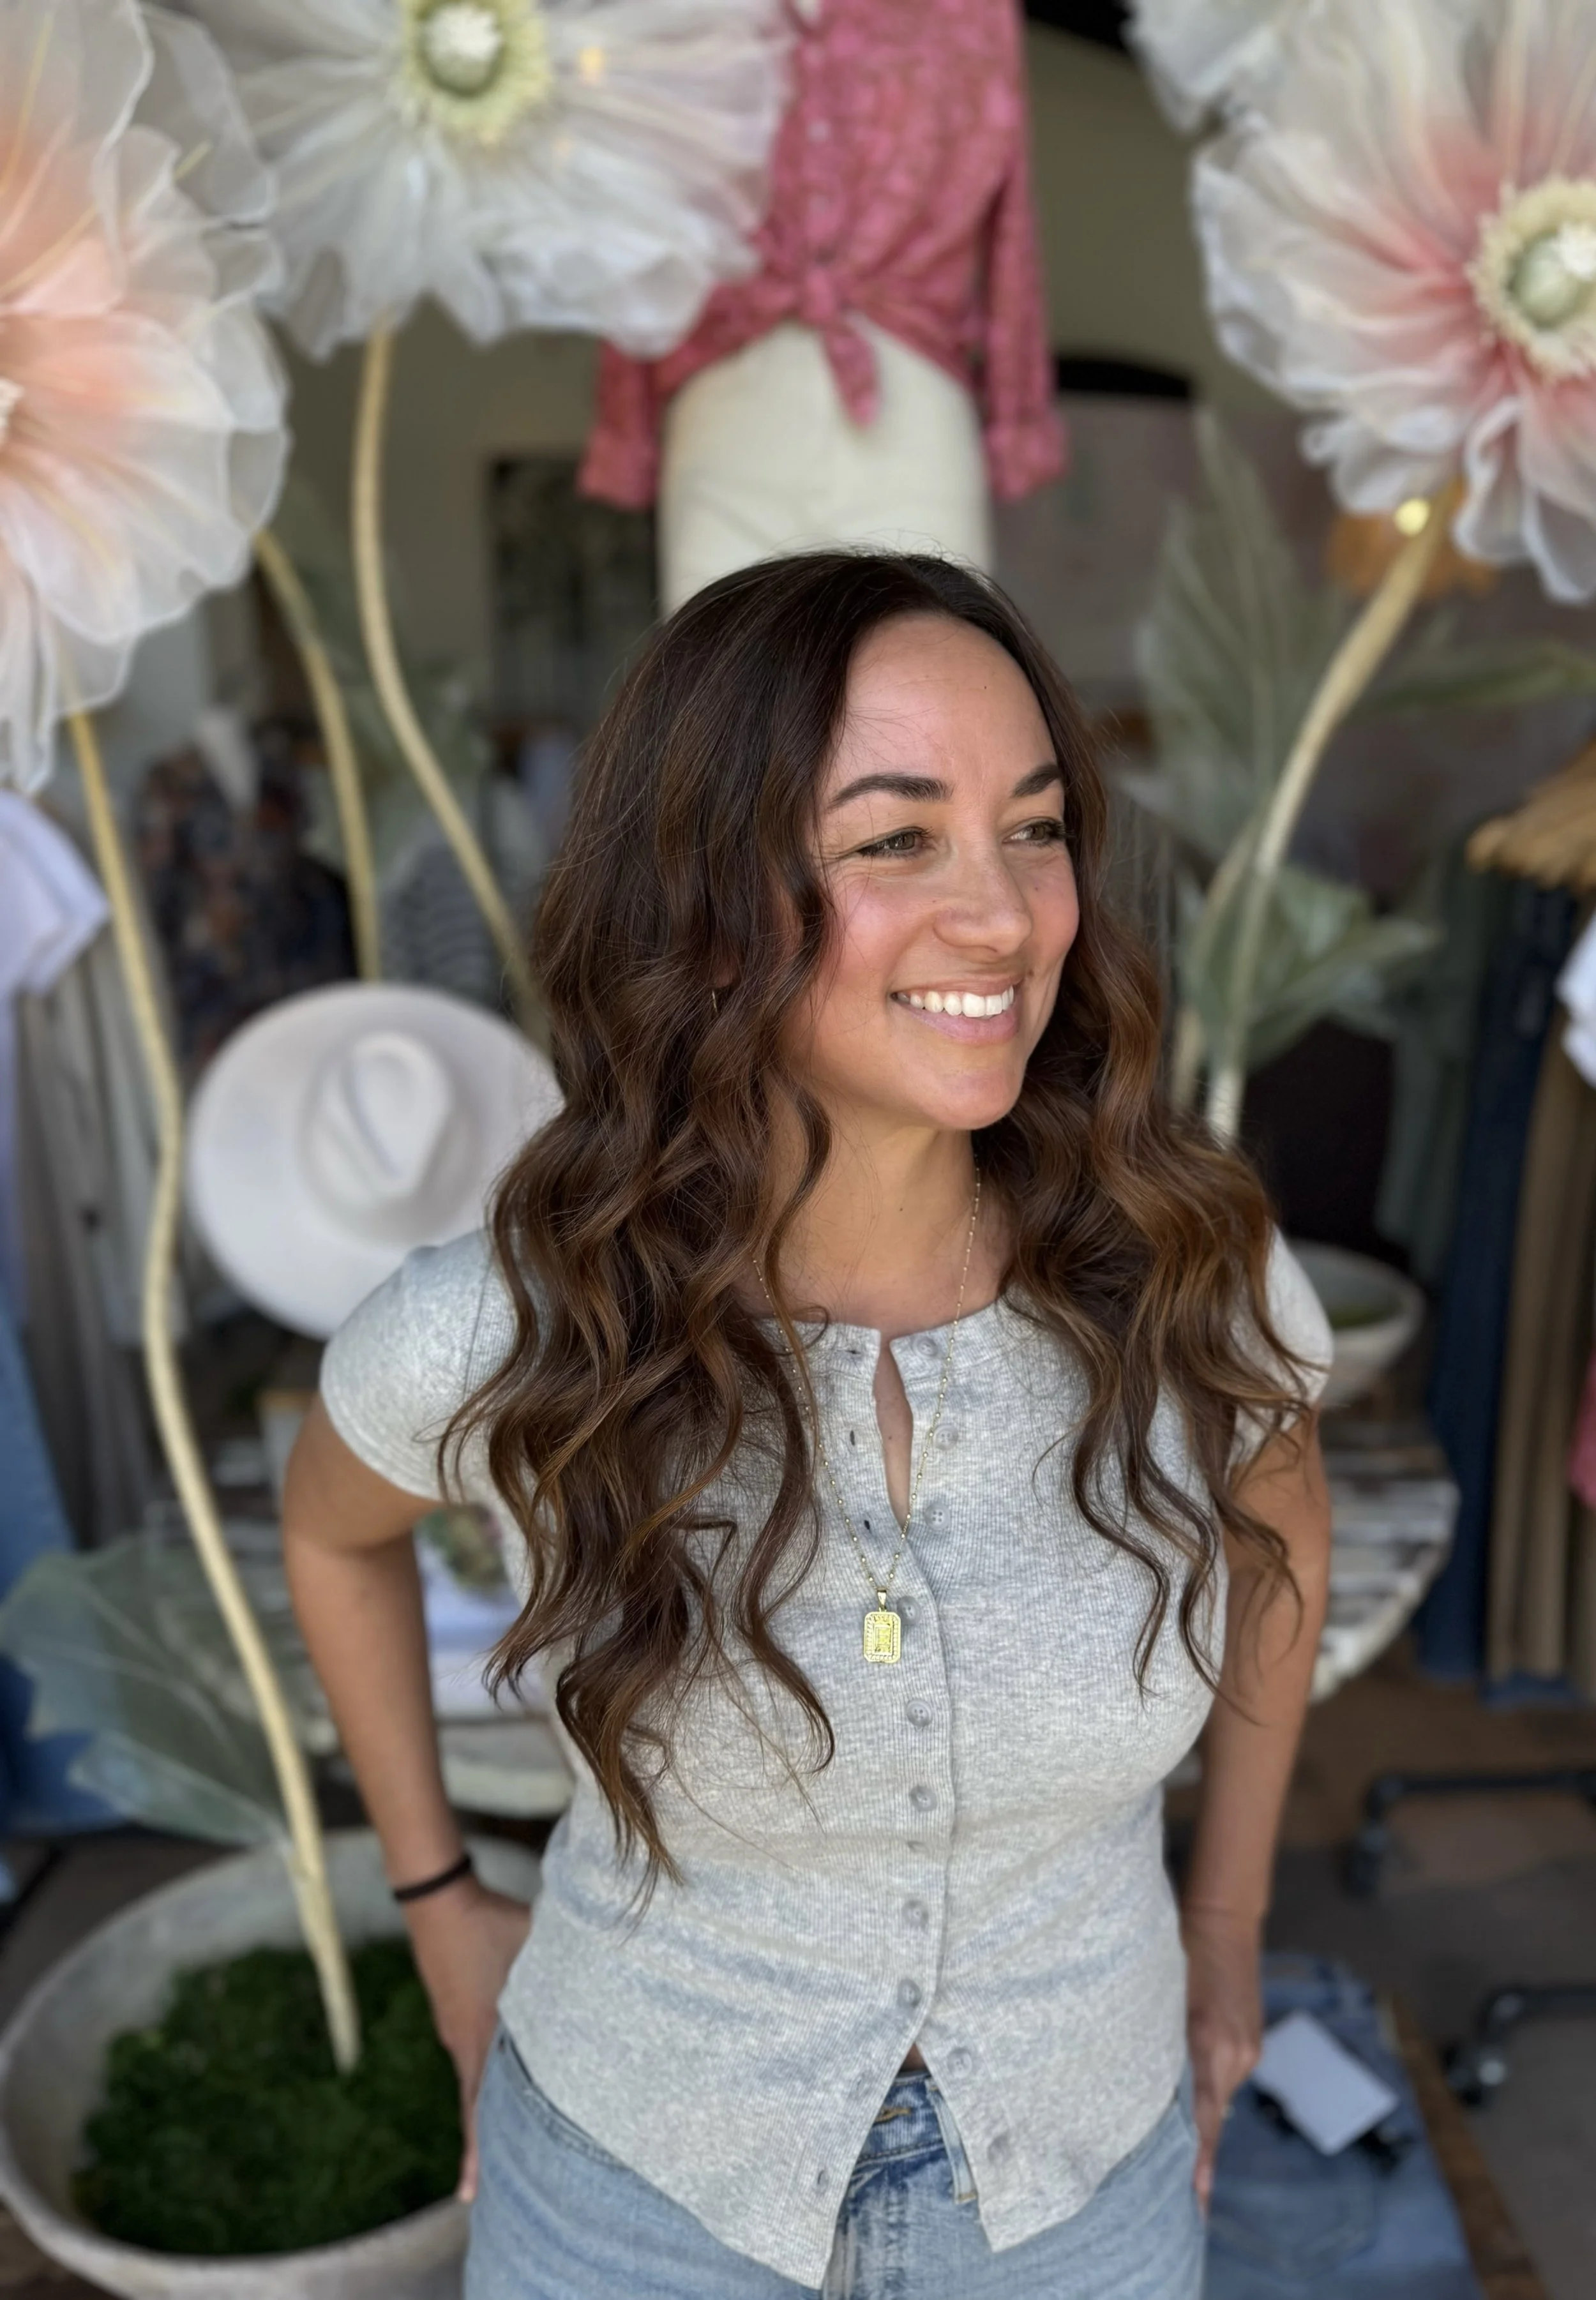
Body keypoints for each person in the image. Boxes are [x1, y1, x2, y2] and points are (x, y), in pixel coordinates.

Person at [283, 551, 1333, 2300]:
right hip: (629, 2191)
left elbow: (1283, 1523)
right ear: (703, 896)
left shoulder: (1186, 1276)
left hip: (1083, 2185)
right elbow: (332, 1530)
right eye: (894, 838)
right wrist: (437, 1900)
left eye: (1034, 827)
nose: (1006, 918)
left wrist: (1225, 1922)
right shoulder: (519, 1324)